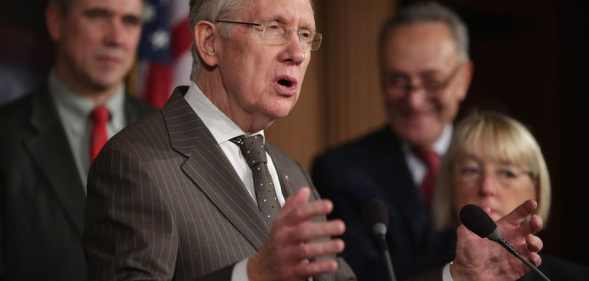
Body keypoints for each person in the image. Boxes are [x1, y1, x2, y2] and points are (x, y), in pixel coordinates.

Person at [83, 0, 544, 281]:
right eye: (274, 28)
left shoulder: (286, 169)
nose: (298, 52)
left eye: (305, 34)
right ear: (208, 43)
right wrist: (250, 277)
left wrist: (456, 276)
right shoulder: (137, 161)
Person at [311, 2, 472, 280]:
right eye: (398, 81)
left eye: (432, 81)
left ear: (464, 78)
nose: (414, 100)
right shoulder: (340, 171)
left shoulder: (493, 165)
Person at [0, 0, 153, 280]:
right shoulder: (6, 138)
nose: (116, 38)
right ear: (56, 22)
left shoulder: (174, 134)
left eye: (130, 21)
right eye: (98, 16)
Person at [432, 110, 589, 281]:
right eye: (471, 170)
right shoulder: (407, 271)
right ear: (449, 185)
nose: (487, 187)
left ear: (535, 189)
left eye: (507, 173)